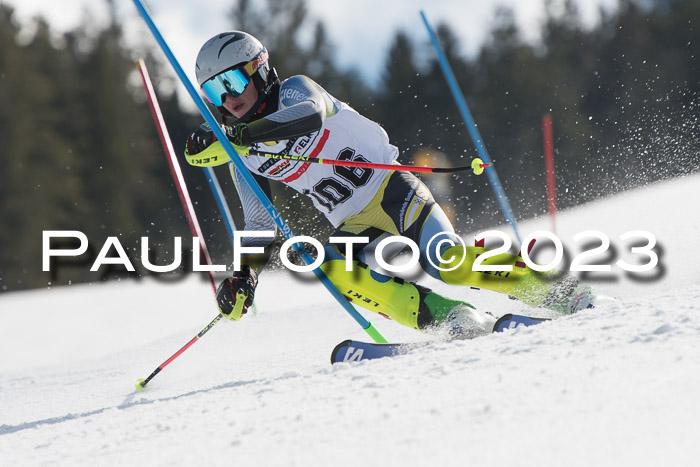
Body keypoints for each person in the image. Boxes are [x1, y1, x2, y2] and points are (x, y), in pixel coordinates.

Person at [185, 31, 593, 338]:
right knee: (332, 270)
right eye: (214, 91)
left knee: (445, 261)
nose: (227, 99)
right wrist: (244, 278)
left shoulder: (295, 91)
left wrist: (240, 138)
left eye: (233, 82)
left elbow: (310, 115)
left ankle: (557, 290)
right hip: (355, 222)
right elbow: (260, 224)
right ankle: (451, 317)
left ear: (259, 69)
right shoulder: (244, 157)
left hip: (391, 188)